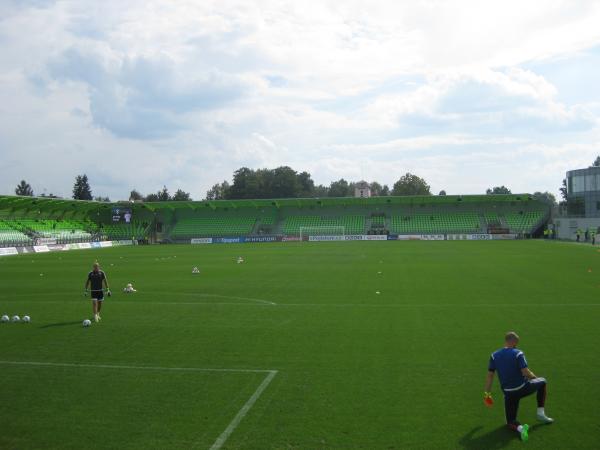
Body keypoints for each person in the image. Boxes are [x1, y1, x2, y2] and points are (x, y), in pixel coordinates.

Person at [483, 332, 553, 442]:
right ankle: (540, 413)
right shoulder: (518, 353)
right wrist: (535, 378)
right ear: (514, 342)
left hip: (509, 393)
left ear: (506, 341)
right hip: (523, 388)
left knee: (510, 422)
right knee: (543, 382)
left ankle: (520, 428)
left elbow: (490, 376)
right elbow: (525, 372)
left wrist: (487, 394)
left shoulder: (494, 355)